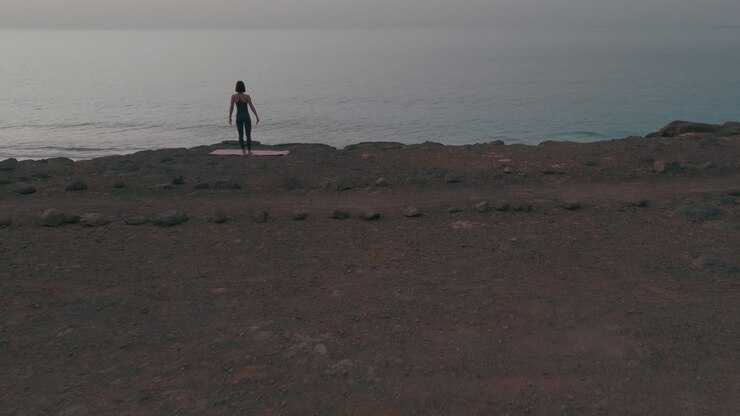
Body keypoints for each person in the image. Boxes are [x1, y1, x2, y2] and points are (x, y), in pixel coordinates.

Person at [228, 80, 260, 155]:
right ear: (243, 87)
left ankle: (243, 150)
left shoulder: (233, 97)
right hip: (246, 116)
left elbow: (231, 107)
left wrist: (230, 117)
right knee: (248, 134)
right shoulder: (247, 96)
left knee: (240, 135)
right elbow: (251, 106)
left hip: (238, 117)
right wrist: (256, 116)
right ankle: (249, 151)